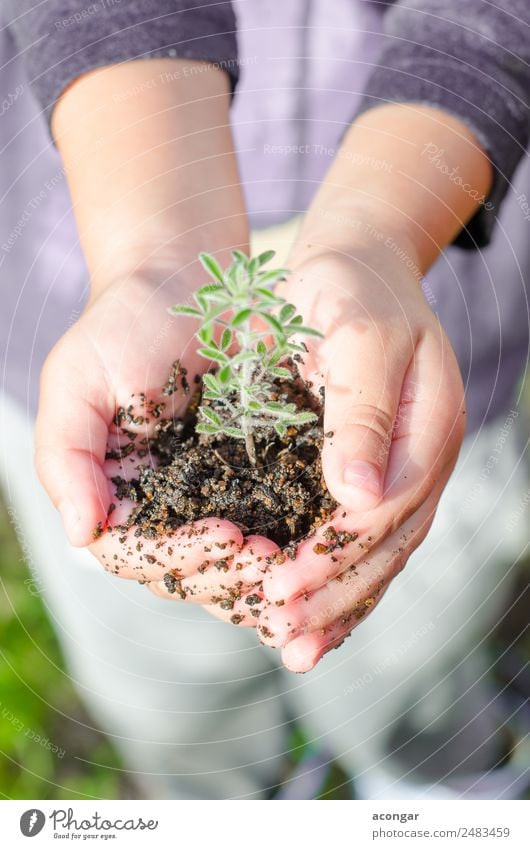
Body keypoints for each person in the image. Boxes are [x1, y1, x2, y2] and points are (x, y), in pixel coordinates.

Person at [1, 0, 528, 799]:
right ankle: (219, 800)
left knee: (415, 660)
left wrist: (378, 243)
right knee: (162, 690)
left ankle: (427, 787)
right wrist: (153, 261)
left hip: (422, 322)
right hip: (88, 256)